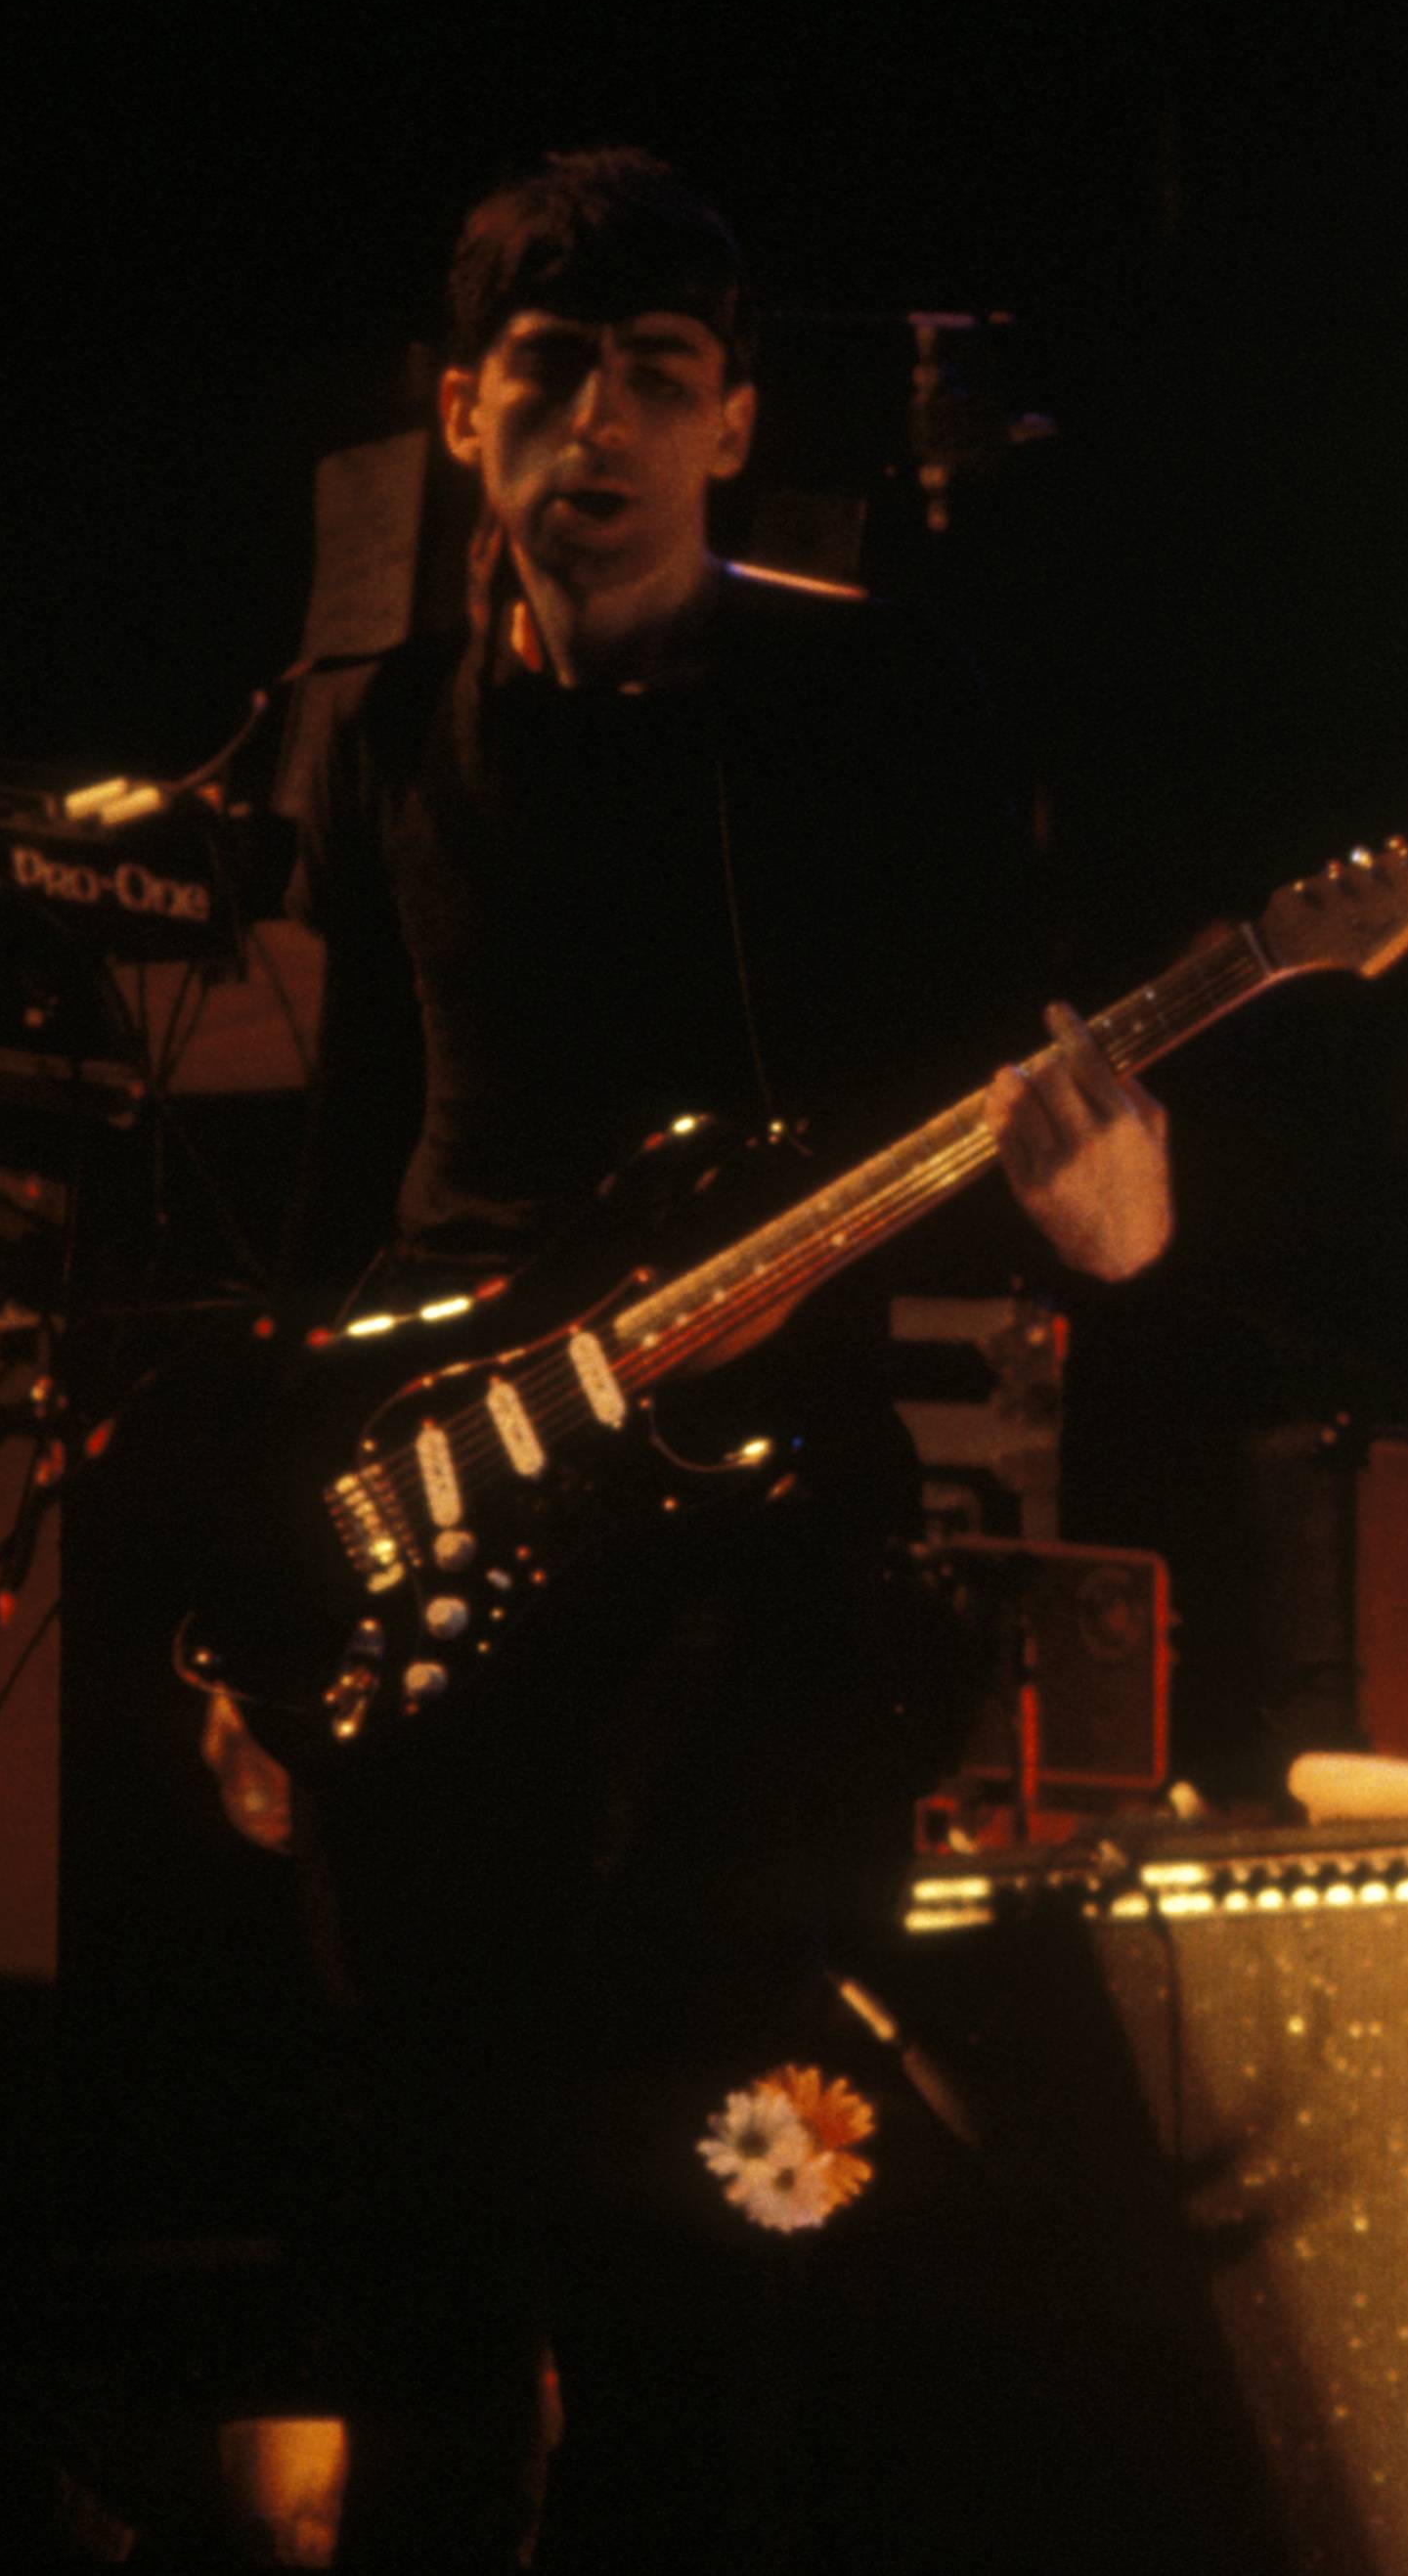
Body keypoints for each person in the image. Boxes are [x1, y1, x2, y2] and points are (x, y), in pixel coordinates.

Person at [255, 149, 1170, 2563]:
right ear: (463, 417)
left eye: (659, 380)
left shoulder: (879, 702)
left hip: (767, 1585)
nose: (601, 427)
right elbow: (334, 1197)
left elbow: (1049, 1094)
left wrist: (1121, 1208)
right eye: (547, 376)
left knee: (740, 2191)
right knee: (427, 2225)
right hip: (446, 1572)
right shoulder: (374, 745)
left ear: (736, 425)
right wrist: (253, 1595)